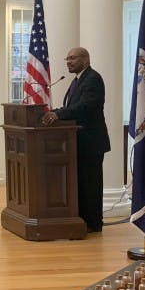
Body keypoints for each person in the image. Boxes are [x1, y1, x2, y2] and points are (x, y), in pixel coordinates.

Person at [40, 47, 110, 233]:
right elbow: (72, 107)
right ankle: (82, 220)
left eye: (73, 58)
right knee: (81, 183)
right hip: (79, 141)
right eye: (67, 59)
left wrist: (58, 114)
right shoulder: (78, 80)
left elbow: (85, 106)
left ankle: (93, 223)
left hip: (91, 141)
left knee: (91, 184)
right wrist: (54, 112)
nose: (68, 62)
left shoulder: (93, 79)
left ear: (85, 60)